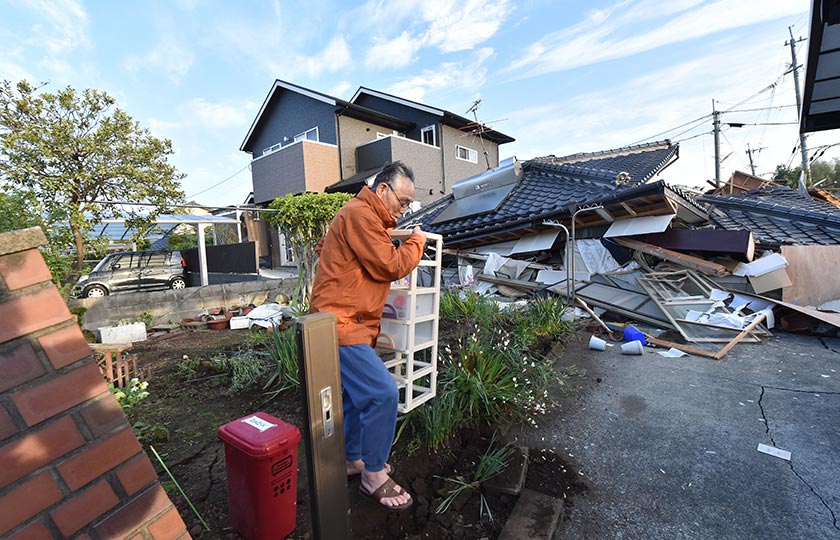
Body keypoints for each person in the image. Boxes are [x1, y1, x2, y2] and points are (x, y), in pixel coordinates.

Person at [309, 161, 427, 511]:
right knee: (382, 393)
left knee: (354, 397)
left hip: (347, 322)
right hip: (341, 323)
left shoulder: (362, 217)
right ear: (383, 189)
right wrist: (417, 242)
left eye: (408, 205)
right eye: (402, 202)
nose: (403, 210)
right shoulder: (360, 214)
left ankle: (352, 459)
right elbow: (391, 265)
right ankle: (372, 475)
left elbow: (330, 251)